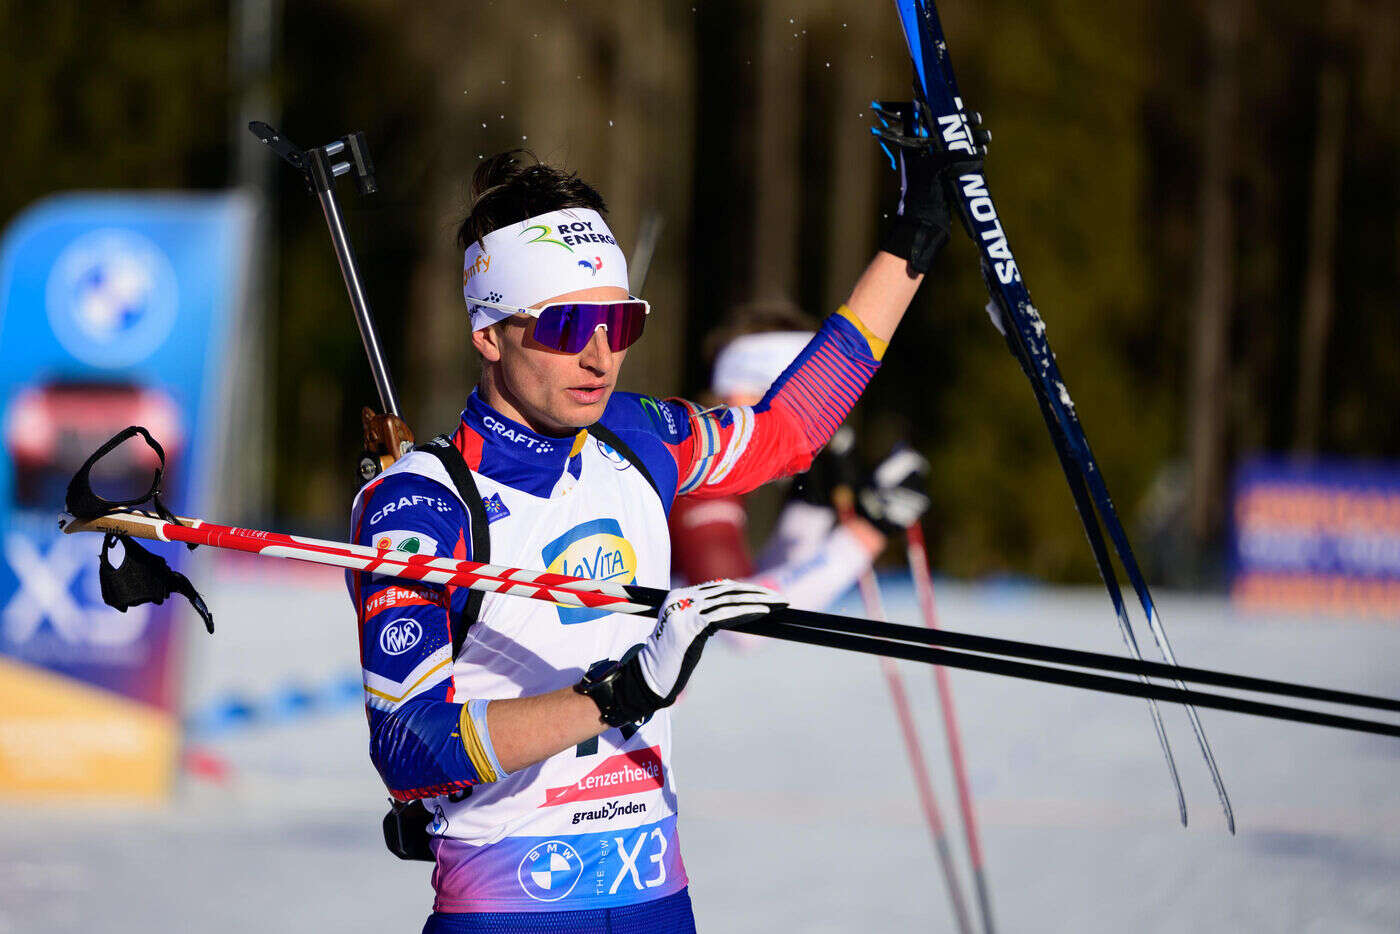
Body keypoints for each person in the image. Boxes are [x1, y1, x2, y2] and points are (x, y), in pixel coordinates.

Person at [347, 116, 965, 933]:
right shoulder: (422, 503)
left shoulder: (638, 437)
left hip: (656, 899)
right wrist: (619, 695)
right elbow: (409, 748)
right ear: (488, 333)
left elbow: (789, 430)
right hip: (510, 909)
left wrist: (913, 240)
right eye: (567, 327)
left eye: (622, 323)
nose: (601, 356)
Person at [670, 302, 932, 611]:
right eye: (800, 412)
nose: (810, 433)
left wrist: (812, 508)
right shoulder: (693, 460)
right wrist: (869, 530)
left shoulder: (705, 449)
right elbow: (732, 621)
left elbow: (755, 584)